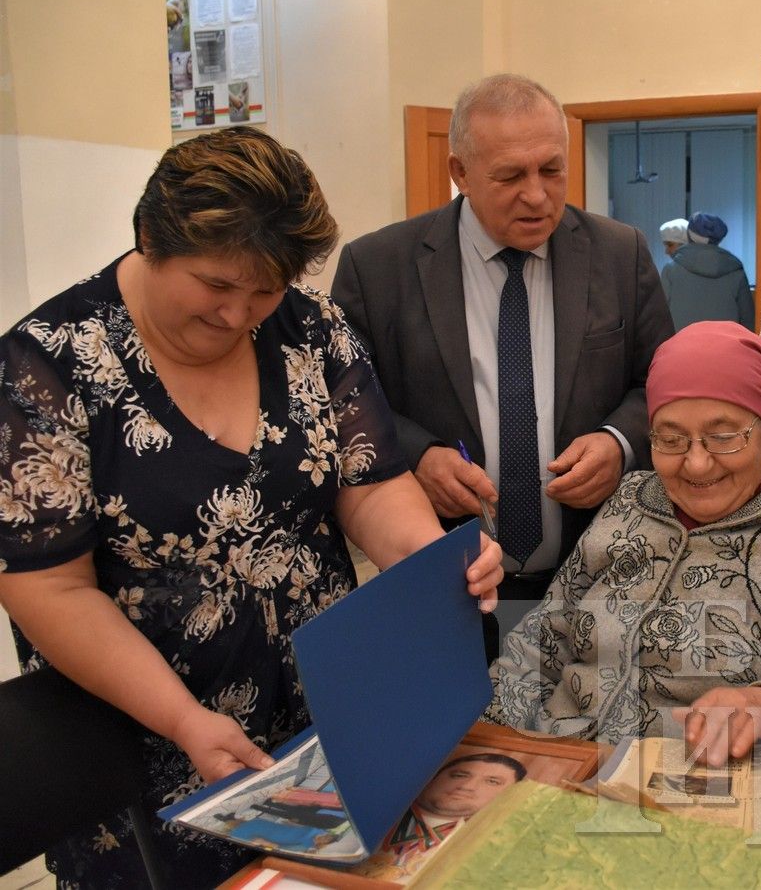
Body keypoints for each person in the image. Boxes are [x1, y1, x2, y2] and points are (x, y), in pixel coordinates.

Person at [0, 126, 503, 887]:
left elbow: (368, 484)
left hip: (324, 721)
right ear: (147, 238)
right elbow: (48, 587)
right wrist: (181, 719)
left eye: (263, 289)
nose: (239, 315)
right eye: (214, 286)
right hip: (150, 747)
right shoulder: (47, 369)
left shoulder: (310, 331)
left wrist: (429, 560)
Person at [331, 73, 674, 657]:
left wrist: (619, 442)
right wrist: (414, 457)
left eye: (552, 170)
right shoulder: (377, 268)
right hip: (445, 583)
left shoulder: (620, 254)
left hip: (594, 583)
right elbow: (343, 400)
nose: (537, 195)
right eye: (510, 176)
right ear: (459, 172)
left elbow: (661, 384)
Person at [484, 321, 761, 765]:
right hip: (556, 763)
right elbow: (542, 642)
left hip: (692, 784)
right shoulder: (628, 504)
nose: (698, 464)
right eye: (670, 440)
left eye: (724, 437)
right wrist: (489, 746)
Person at [351, 752, 527, 881]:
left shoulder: (487, 854)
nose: (467, 786)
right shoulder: (366, 807)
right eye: (459, 775)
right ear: (432, 778)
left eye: (492, 781)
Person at [660, 212, 754, 331]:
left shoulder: (671, 270)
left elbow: (660, 317)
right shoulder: (736, 272)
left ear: (689, 235)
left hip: (681, 347)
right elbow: (747, 321)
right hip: (725, 347)